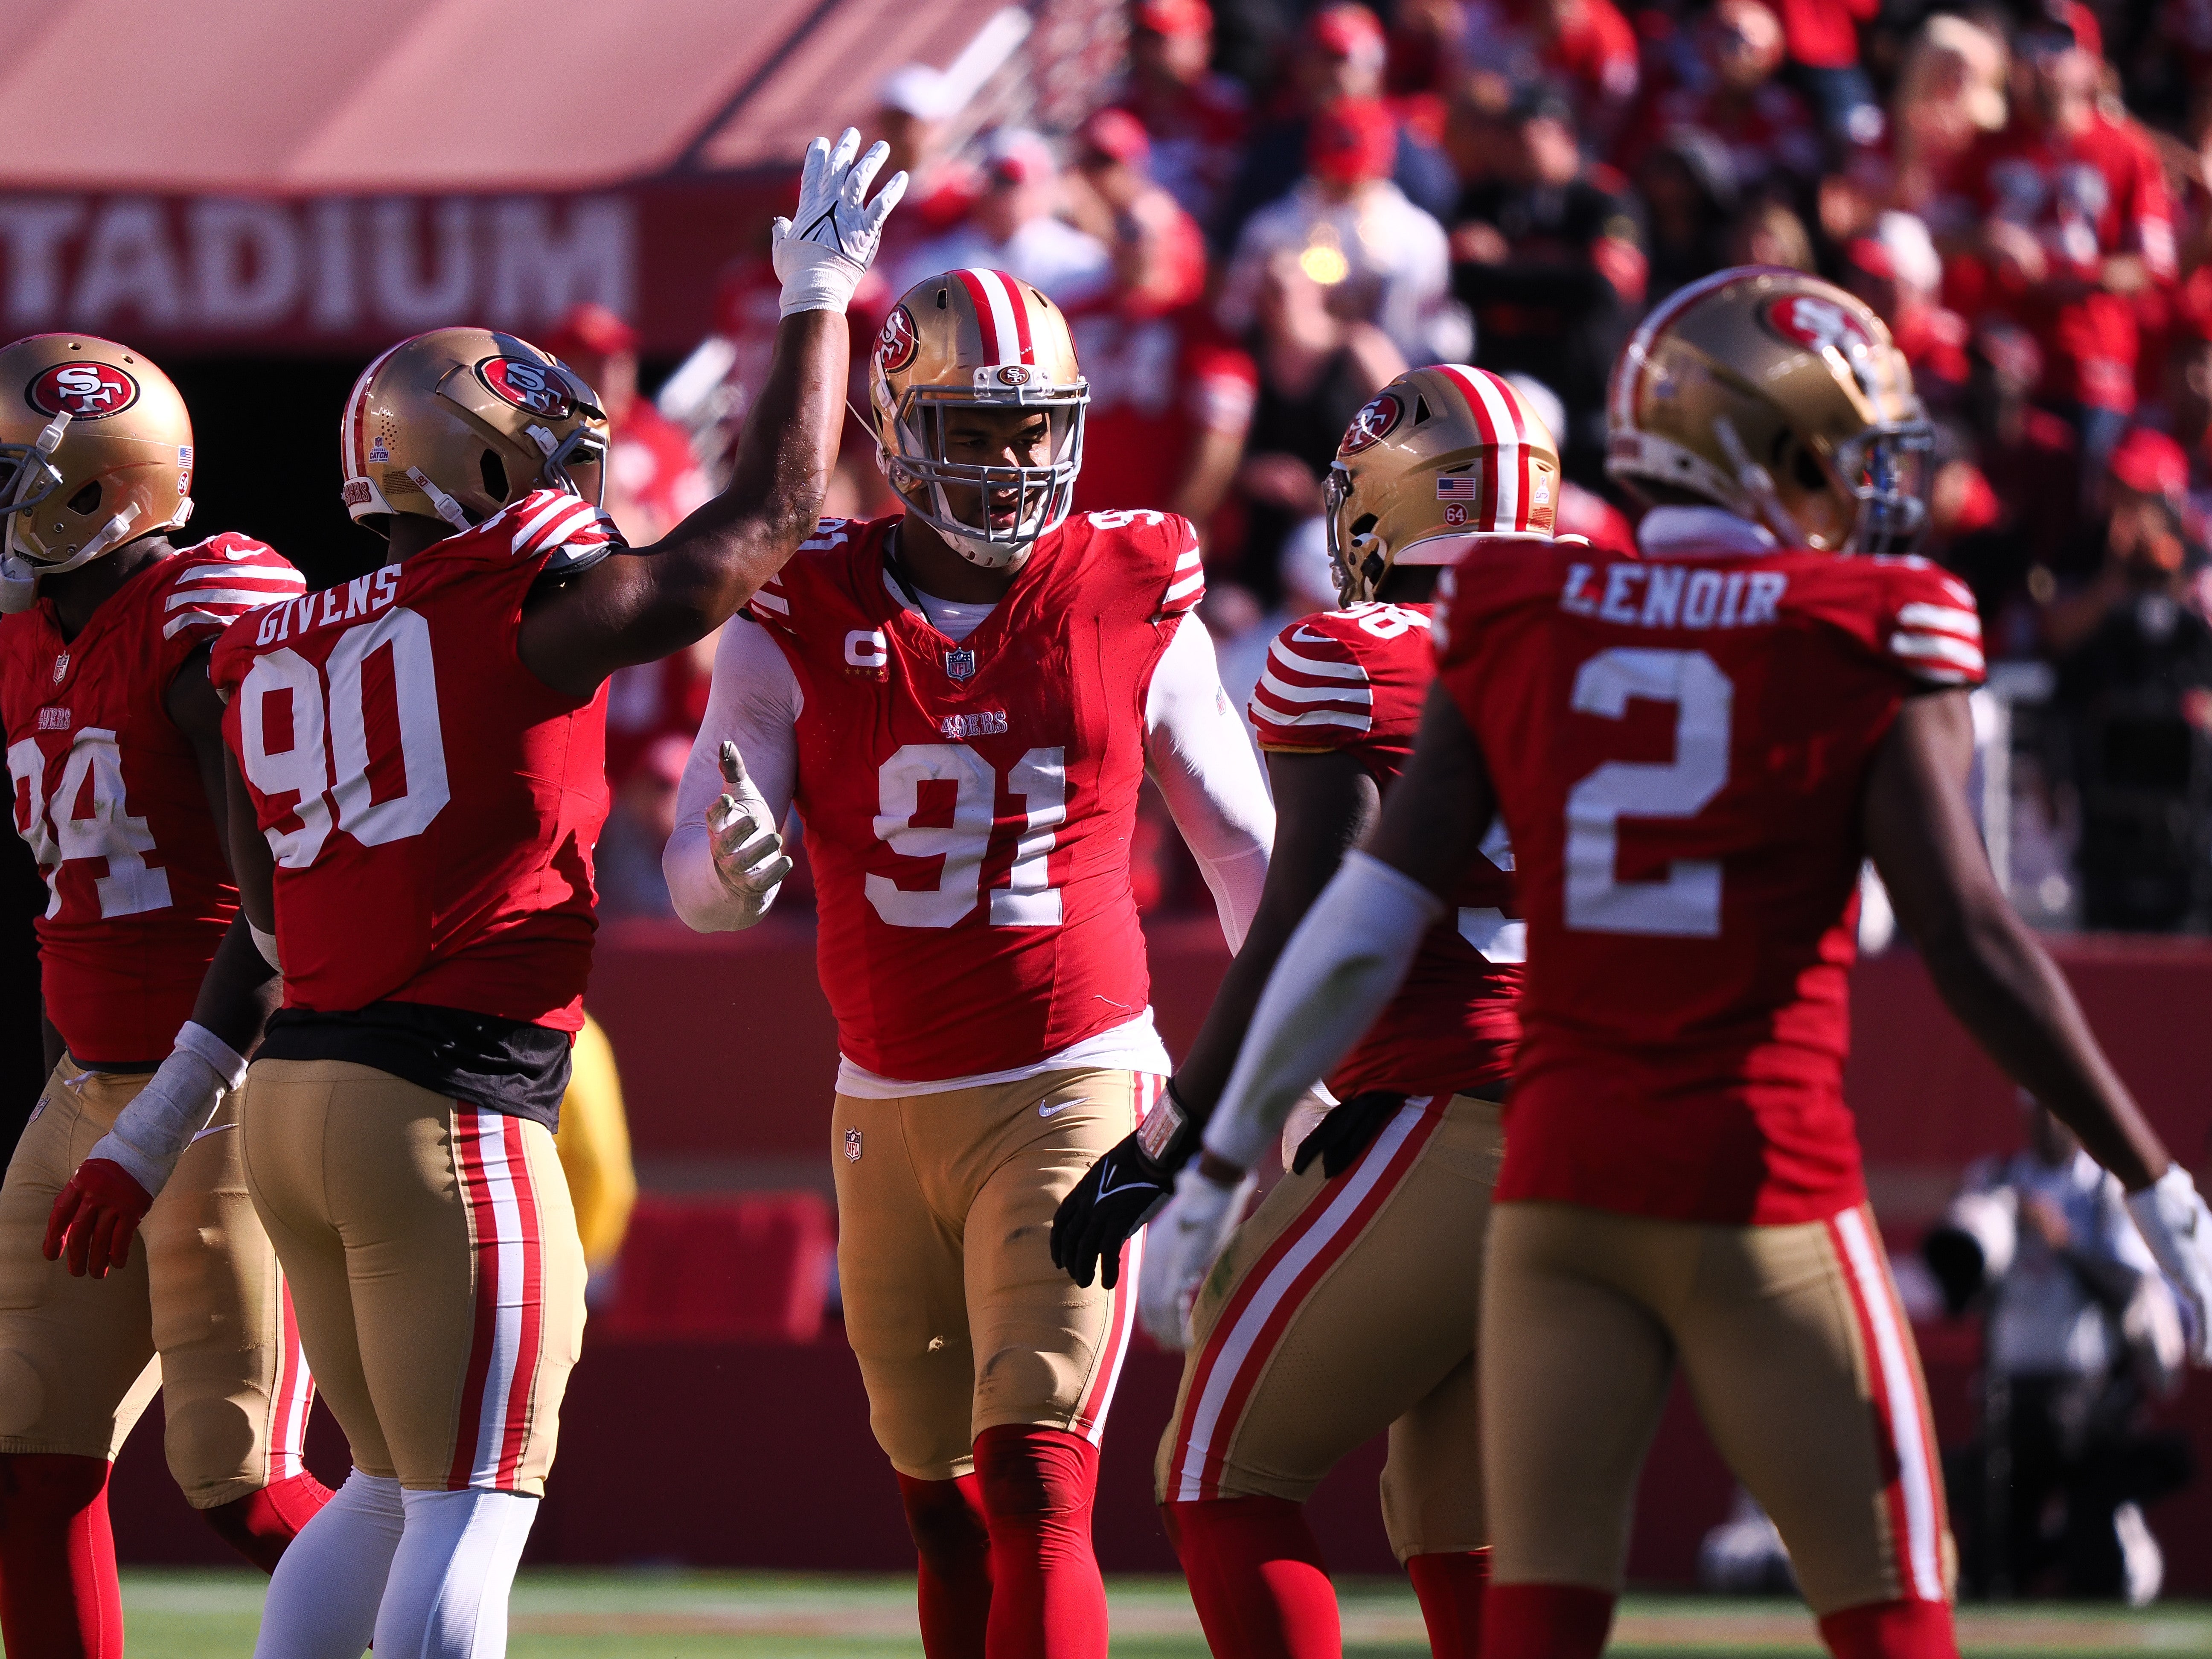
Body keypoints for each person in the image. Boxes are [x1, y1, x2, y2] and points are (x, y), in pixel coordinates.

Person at [1140, 267, 2212, 1659]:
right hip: (1763, 1170)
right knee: (1891, 1613)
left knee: (1455, 1568)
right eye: (1835, 447)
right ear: (1747, 443)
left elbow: (1353, 918)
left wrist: (1213, 1144)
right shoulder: (1869, 613)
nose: (1860, 483)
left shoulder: (1528, 610)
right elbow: (1964, 935)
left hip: (1560, 1181)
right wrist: (2151, 1175)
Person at [210, 131, 904, 1659]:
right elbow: (761, 524)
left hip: (297, 1091)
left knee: (385, 1489)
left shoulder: (273, 638)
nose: (571, 480)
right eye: (541, 454)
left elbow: (259, 901)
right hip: (445, 1105)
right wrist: (818, 304)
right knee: (469, 1500)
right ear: (472, 463)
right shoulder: (499, 604)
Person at [662, 265, 1274, 1659]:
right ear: (892, 427)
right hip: (882, 1099)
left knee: (1037, 1473)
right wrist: (723, 862)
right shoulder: (800, 597)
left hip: (1075, 1078)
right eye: (972, 430)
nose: (1008, 465)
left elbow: (1250, 855)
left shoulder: (1130, 579)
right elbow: (702, 871)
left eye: (1029, 428)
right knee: (938, 1504)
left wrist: (1299, 1070)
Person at [1052, 365, 1552, 1659]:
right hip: (1592, 1129)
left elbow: (1306, 931)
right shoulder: (1601, 655)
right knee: (1457, 1521)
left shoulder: (1353, 657)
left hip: (1456, 1118)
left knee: (1225, 1469)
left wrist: (1181, 1146)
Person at [0, 334, 323, 1656]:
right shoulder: (31, 631)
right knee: (26, 1458)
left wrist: (170, 1108)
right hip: (86, 1082)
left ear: (96, 491)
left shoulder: (215, 619)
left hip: (228, 1087)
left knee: (239, 1475)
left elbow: (292, 900)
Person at [1925, 1095, 2191, 1602]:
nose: (2050, 1122)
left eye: (2059, 1109)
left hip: (2085, 1401)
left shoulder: (2102, 1190)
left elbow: (2131, 1290)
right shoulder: (1996, 1181)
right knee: (1994, 1567)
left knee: (2099, 1571)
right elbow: (1955, 1295)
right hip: (2008, 1400)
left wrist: (2063, 1244)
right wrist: (1986, 1237)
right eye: (2040, 1110)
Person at [1220, 98, 1462, 369]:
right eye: (1332, 172)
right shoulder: (1275, 226)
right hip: (1289, 372)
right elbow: (1233, 315)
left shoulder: (1417, 238)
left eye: (1354, 177)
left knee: (1367, 347)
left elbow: (1419, 342)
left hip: (1387, 377)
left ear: (1381, 168)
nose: (1341, 183)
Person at [895, 128, 1114, 310]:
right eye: (1000, 181)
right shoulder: (939, 260)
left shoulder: (1076, 254)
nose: (1007, 195)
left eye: (1014, 183)